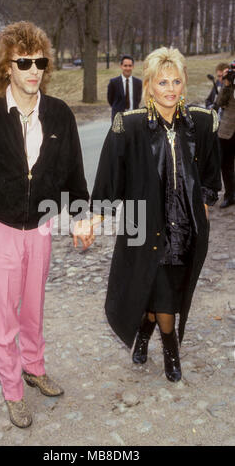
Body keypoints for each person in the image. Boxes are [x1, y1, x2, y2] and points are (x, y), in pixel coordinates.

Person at [0, 21, 92, 428]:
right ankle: (13, 390)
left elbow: (74, 176)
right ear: (7, 67)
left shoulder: (60, 115)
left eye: (40, 61)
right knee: (1, 317)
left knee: (32, 310)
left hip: (41, 229)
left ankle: (33, 368)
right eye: (24, 62)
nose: (34, 69)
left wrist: (81, 218)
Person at [90, 47, 221, 383]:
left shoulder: (199, 122)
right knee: (162, 295)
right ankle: (171, 351)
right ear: (148, 85)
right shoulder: (129, 127)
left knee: (164, 294)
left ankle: (144, 335)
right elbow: (109, 177)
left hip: (185, 228)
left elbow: (210, 170)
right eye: (162, 82)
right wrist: (94, 217)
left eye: (176, 81)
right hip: (145, 224)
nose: (170, 89)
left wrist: (204, 198)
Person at [215, 63, 235, 208]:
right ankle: (230, 195)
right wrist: (227, 85)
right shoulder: (228, 86)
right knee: (226, 165)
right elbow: (219, 103)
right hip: (227, 131)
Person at [107, 55, 142, 122]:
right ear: (121, 66)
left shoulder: (138, 83)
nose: (127, 68)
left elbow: (138, 99)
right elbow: (110, 100)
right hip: (118, 118)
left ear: (133, 66)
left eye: (130, 66)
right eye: (125, 66)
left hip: (134, 117)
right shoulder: (114, 82)